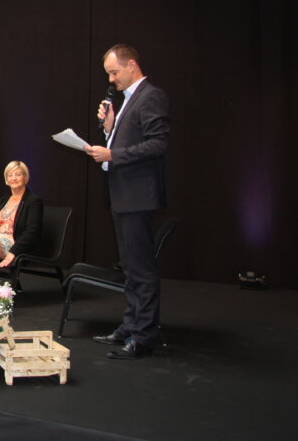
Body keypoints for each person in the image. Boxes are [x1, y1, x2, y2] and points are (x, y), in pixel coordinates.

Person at [84, 44, 170, 360]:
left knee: (141, 270)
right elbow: (130, 140)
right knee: (131, 269)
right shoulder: (128, 101)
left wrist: (113, 154)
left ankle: (144, 336)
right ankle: (131, 325)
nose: (111, 78)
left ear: (131, 64)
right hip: (123, 197)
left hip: (137, 197)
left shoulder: (151, 96)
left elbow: (158, 144)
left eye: (114, 72)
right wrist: (109, 130)